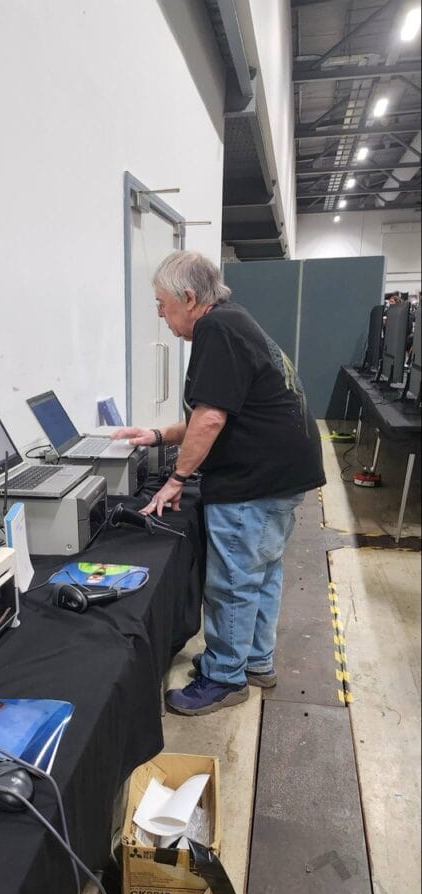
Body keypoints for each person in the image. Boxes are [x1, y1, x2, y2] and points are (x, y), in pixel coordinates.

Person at [112, 251, 326, 716]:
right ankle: (255, 662)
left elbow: (211, 418)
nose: (160, 315)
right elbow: (209, 413)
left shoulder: (216, 330)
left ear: (189, 298)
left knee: (231, 582)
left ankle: (225, 679)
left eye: (162, 303)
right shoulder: (233, 320)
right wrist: (154, 435)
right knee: (261, 573)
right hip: (286, 473)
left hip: (256, 480)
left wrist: (176, 479)